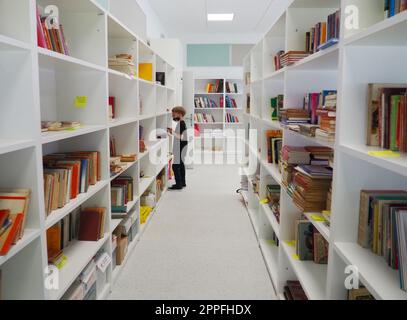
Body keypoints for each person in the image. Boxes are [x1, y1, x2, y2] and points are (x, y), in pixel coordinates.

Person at [167, 106, 188, 190]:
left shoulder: (181, 123)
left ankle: (178, 184)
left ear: (179, 114)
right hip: (182, 146)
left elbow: (181, 137)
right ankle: (182, 182)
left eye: (174, 113)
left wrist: (172, 132)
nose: (172, 115)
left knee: (175, 166)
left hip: (180, 146)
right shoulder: (181, 123)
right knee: (181, 164)